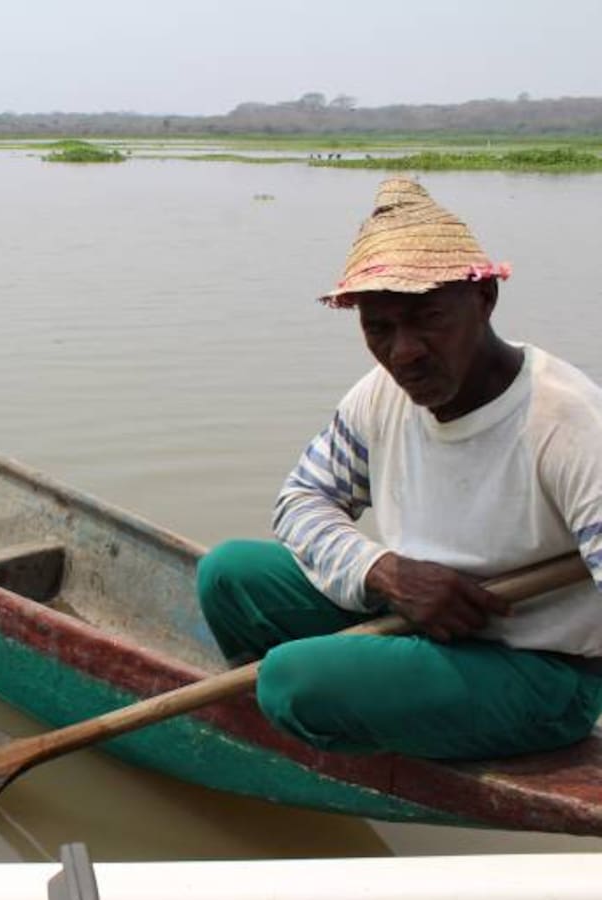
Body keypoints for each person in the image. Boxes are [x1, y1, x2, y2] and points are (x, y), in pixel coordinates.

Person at [196, 177, 602, 761]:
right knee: (229, 573)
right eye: (379, 328)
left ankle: (323, 713)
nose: (404, 352)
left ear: (484, 299)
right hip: (414, 617)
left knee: (290, 679)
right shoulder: (381, 395)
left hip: (537, 671)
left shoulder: (566, 421)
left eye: (428, 318)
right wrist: (385, 571)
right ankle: (290, 735)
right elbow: (301, 500)